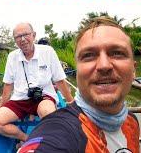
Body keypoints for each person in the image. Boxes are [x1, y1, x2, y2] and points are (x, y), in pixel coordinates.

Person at [19, 17, 140, 152]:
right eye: (88, 55)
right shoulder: (60, 131)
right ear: (77, 71)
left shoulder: (132, 121)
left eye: (117, 53)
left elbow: (59, 79)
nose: (104, 65)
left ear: (134, 70)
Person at [0, 22, 74, 142]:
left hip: (44, 97)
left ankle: (47, 143)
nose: (22, 39)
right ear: (15, 40)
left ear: (33, 35)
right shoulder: (12, 57)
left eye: (26, 34)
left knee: (48, 114)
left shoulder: (47, 51)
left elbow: (59, 80)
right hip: (20, 99)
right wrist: (2, 104)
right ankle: (26, 138)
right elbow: (8, 84)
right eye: (18, 37)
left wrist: (70, 101)